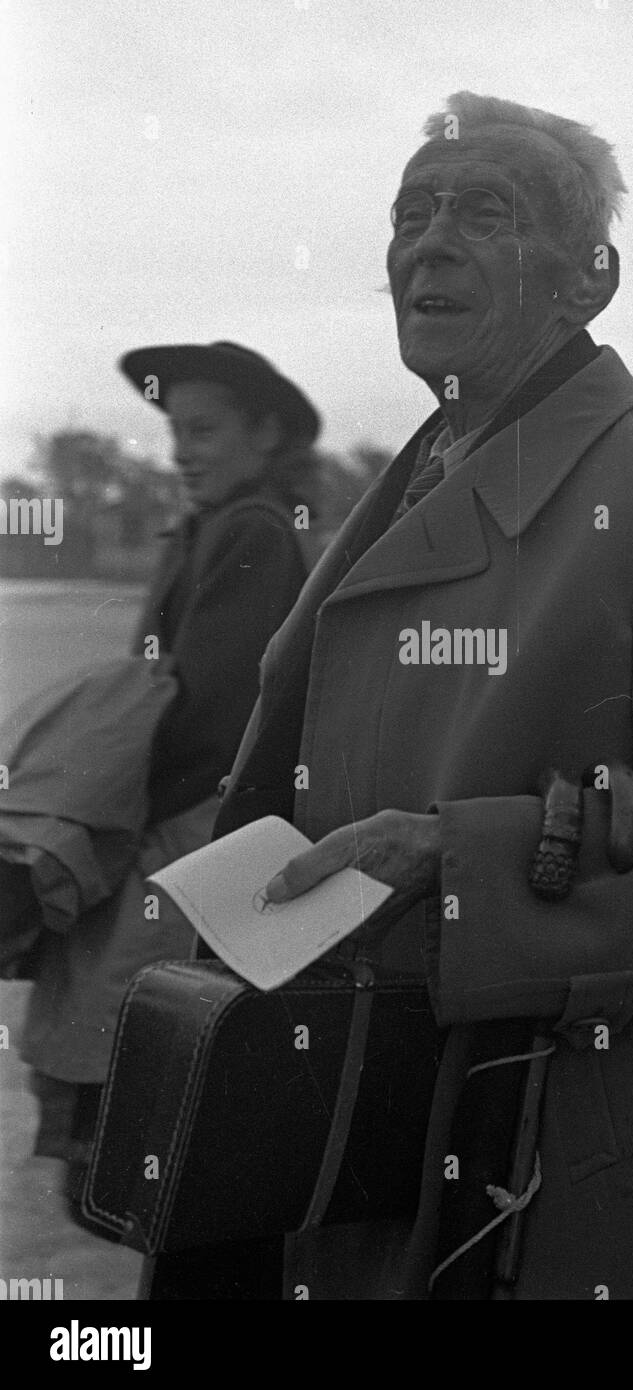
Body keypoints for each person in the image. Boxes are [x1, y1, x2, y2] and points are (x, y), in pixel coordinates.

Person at [212, 93, 633, 1300]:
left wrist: (456, 856)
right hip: (350, 1162)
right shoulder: (392, 503)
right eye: (411, 211)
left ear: (591, 279)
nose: (429, 239)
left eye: (485, 210)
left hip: (569, 1190)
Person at [21, 341, 321, 1223]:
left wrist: (103, 808)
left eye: (205, 430)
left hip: (195, 820)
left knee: (128, 1015)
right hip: (180, 811)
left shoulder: (251, 529)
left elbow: (213, 712)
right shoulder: (212, 526)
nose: (184, 450)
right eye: (175, 431)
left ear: (264, 436)